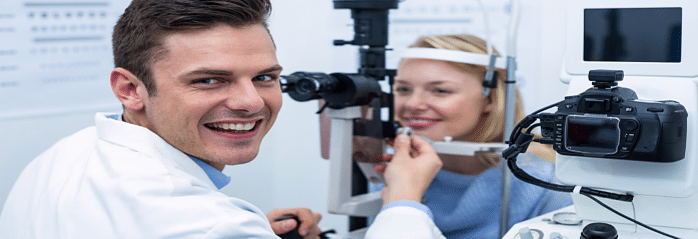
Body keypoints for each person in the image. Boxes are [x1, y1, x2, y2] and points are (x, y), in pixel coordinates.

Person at [0, 0, 446, 238]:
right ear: (129, 89)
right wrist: (404, 200)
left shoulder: (62, 157)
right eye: (210, 80)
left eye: (266, 77)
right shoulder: (211, 223)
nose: (251, 102)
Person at [391, 34, 573, 239]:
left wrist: (403, 201)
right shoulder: (393, 170)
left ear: (491, 98)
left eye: (440, 90)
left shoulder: (548, 186)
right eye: (403, 89)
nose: (412, 104)